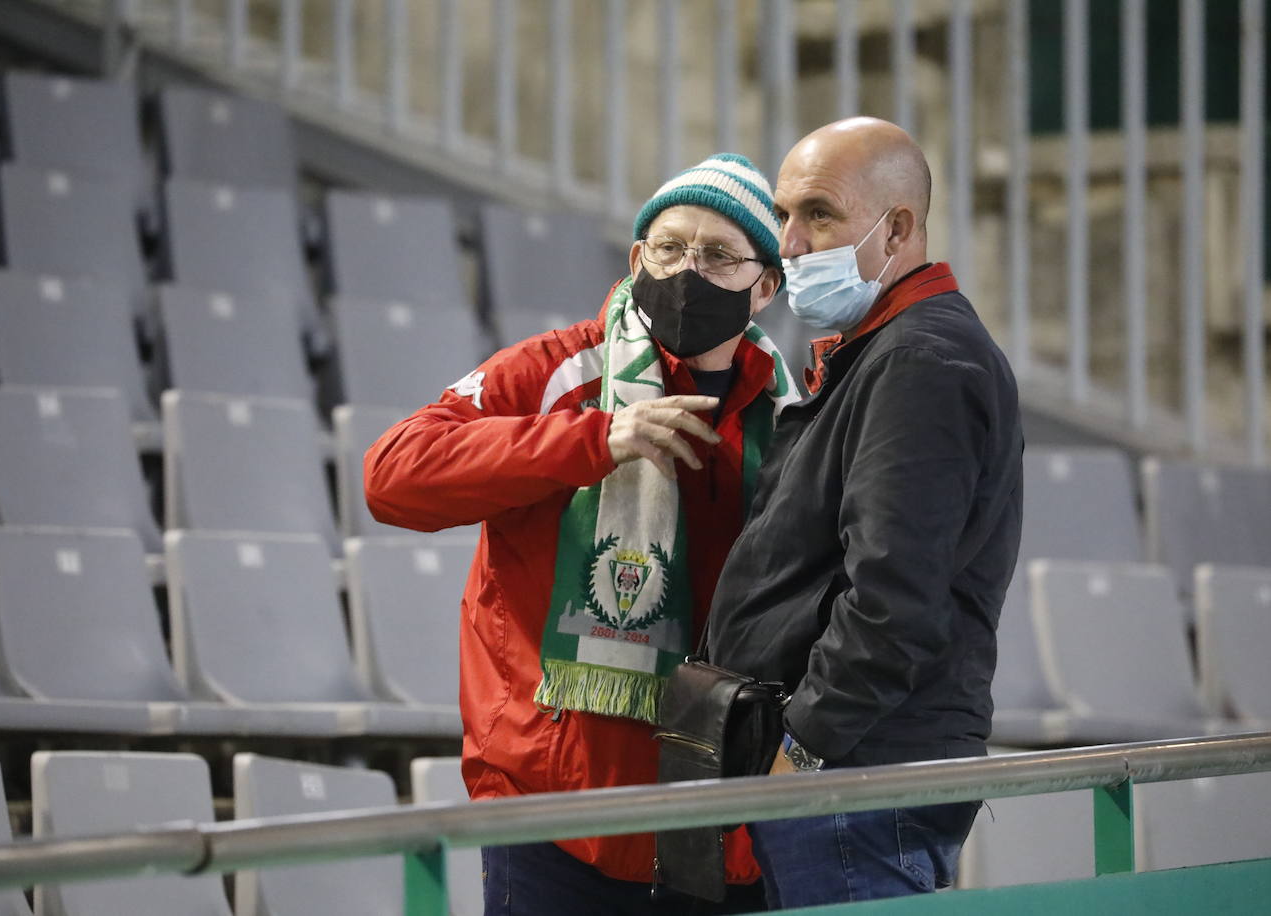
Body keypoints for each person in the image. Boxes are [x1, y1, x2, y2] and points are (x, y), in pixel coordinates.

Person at [364, 154, 803, 914]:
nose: (686, 272)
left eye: (719, 255)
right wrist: (593, 439)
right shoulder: (556, 371)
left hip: (722, 824)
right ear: (637, 260)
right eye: (668, 249)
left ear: (766, 287)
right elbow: (394, 475)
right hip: (553, 814)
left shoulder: (794, 416)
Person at [707, 117, 1024, 908]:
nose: (790, 240)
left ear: (899, 227)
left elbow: (892, 598)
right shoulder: (881, 352)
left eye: (817, 213)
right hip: (850, 771)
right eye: (783, 215)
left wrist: (801, 752)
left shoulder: (920, 360)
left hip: (855, 776)